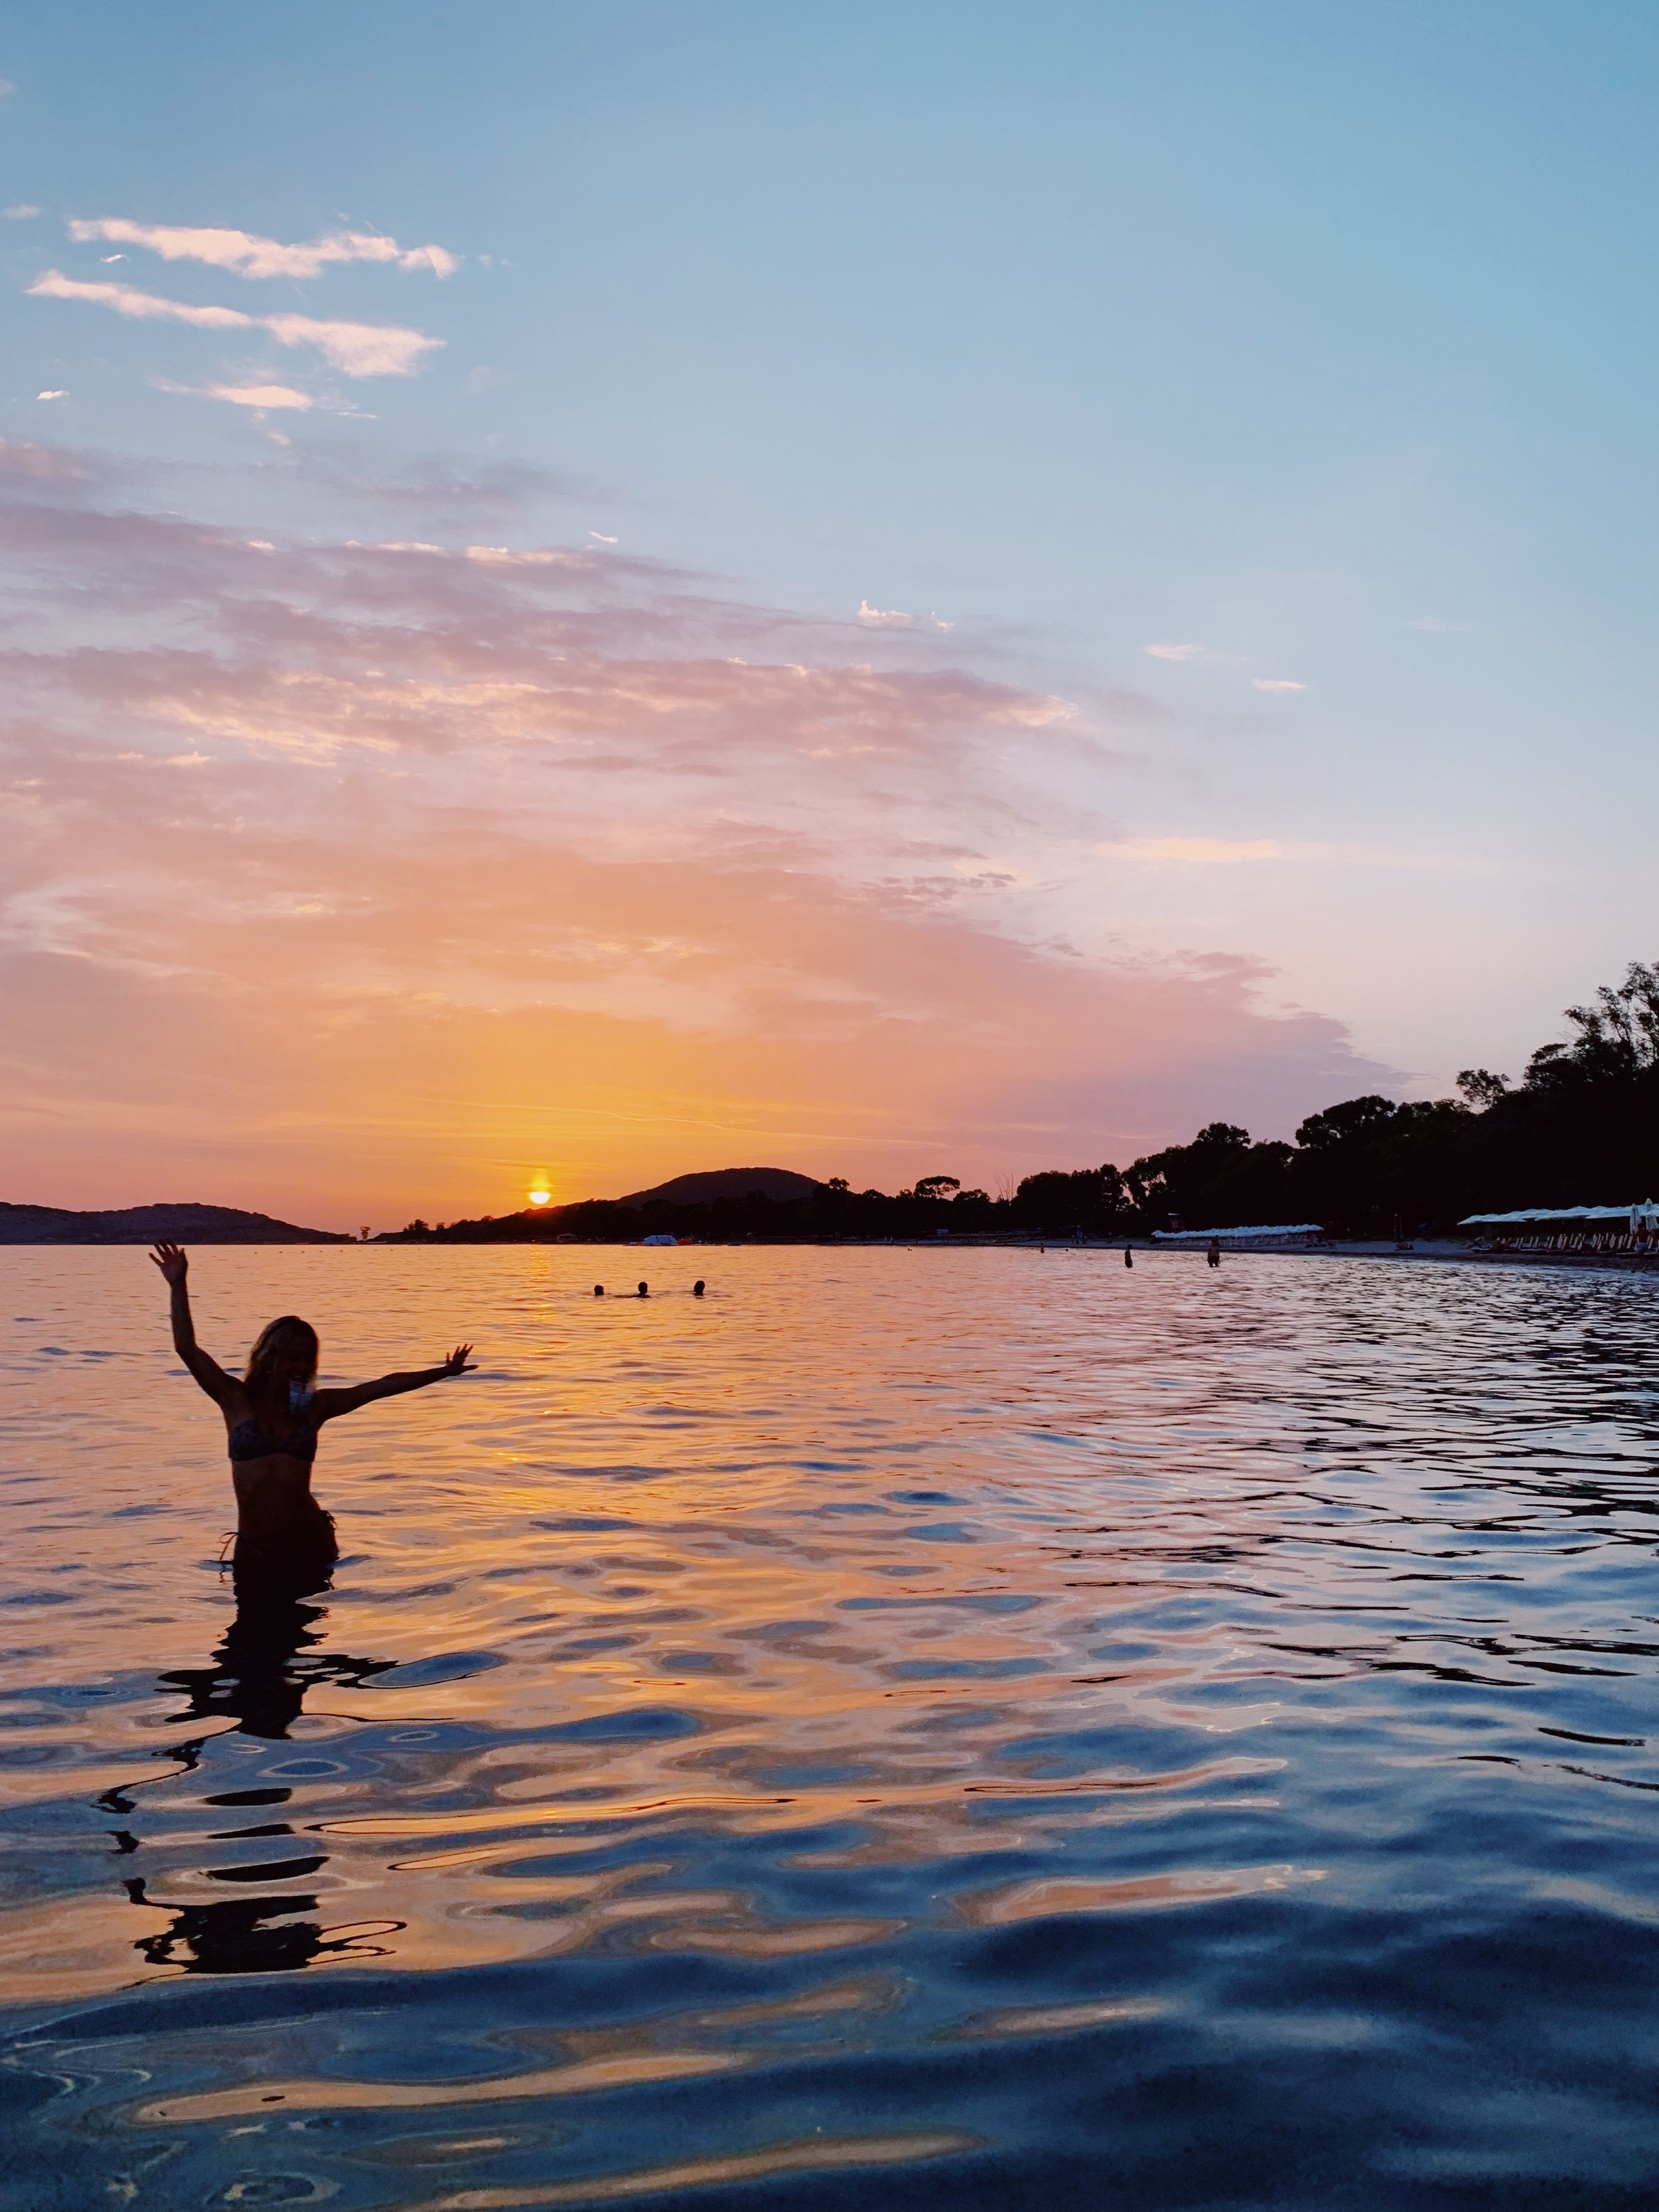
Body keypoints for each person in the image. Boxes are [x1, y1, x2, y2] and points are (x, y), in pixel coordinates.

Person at [149, 1242, 474, 1584]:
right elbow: (187, 1348)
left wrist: (443, 1372)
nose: (303, 1366)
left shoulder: (314, 1408)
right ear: (271, 1357)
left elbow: (381, 1386)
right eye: (294, 1358)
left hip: (311, 1548)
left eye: (308, 1358)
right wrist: (178, 1284)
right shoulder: (235, 1399)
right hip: (256, 1554)